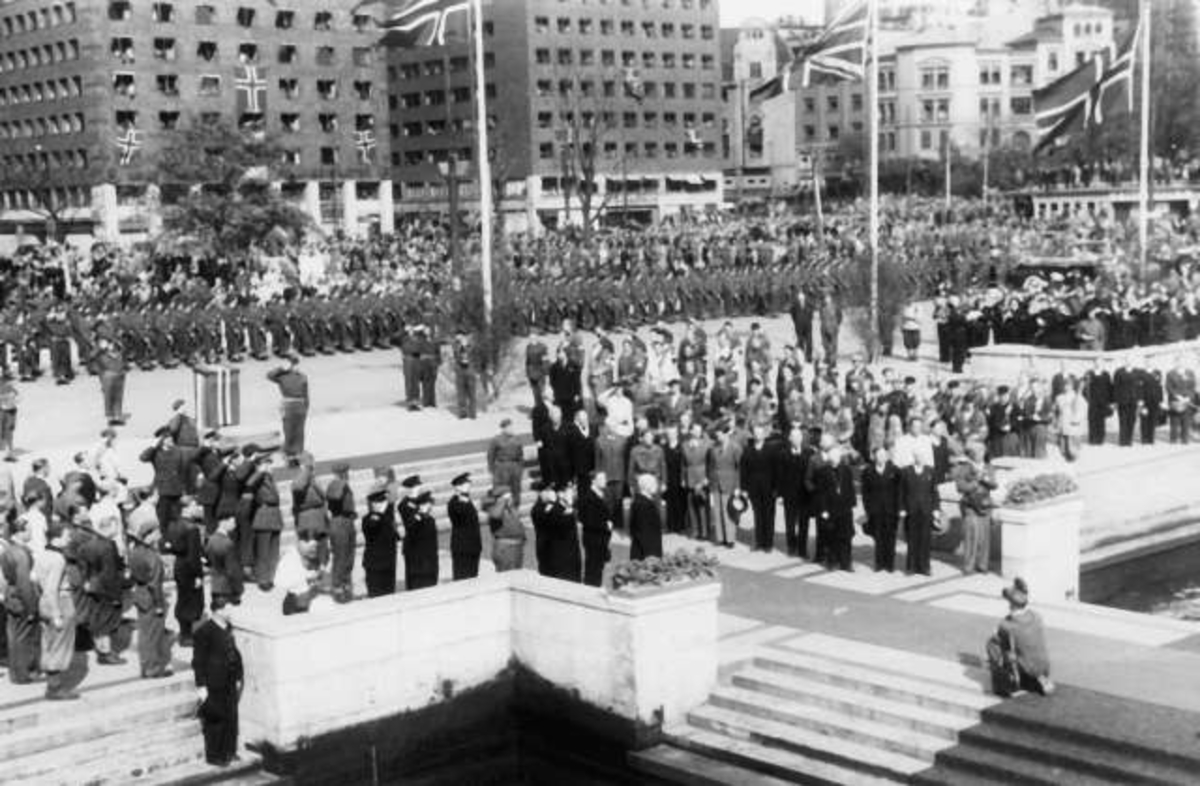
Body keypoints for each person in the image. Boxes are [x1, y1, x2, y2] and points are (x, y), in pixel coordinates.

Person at [192, 599, 244, 767]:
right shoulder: (204, 632)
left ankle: (229, 751)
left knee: (231, 717)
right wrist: (201, 686)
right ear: (218, 611)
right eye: (228, 608)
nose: (231, 611)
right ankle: (215, 755)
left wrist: (237, 676)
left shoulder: (227, 628)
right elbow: (198, 661)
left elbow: (233, 654)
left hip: (228, 681)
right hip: (213, 683)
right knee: (215, 720)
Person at [987, 577, 1055, 697]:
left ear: (1011, 604)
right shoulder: (1036, 616)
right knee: (1023, 647)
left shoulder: (1006, 625)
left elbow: (998, 639)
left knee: (992, 644)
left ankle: (1007, 684)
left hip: (1027, 668)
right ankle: (1040, 677)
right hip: (1044, 666)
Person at [35, 520, 79, 699]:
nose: (69, 540)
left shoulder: (42, 554)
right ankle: (55, 688)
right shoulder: (58, 559)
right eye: (67, 536)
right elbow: (52, 588)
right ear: (58, 537)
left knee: (48, 642)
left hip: (44, 601)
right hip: (60, 601)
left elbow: (36, 580)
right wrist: (57, 614)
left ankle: (52, 682)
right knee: (61, 644)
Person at [127, 517, 173, 679]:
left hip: (140, 595)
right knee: (153, 634)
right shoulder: (151, 556)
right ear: (150, 534)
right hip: (151, 598)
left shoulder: (134, 552)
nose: (160, 534)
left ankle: (145, 666)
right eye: (157, 531)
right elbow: (154, 584)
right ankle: (152, 668)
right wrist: (160, 604)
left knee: (145, 634)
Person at [2, 517, 42, 683]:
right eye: (29, 529)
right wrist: (31, 608)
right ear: (20, 532)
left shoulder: (8, 549)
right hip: (22, 598)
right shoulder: (20, 554)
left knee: (14, 635)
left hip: (11, 594)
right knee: (23, 637)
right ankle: (22, 673)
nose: (31, 532)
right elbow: (24, 583)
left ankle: (17, 671)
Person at [955, 443, 997, 575]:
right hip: (970, 505)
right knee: (971, 536)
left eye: (982, 451)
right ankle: (968, 566)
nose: (980, 454)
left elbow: (995, 485)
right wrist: (974, 483)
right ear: (971, 454)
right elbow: (960, 486)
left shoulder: (989, 467)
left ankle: (982, 565)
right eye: (977, 451)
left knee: (984, 537)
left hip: (984, 505)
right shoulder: (964, 467)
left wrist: (985, 479)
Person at [899, 450, 940, 576]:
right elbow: (901, 491)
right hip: (911, 510)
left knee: (925, 539)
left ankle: (924, 567)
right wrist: (902, 508)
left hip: (926, 510)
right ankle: (911, 566)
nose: (920, 458)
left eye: (922, 456)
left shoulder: (930, 471)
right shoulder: (906, 471)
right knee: (912, 538)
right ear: (914, 457)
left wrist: (936, 509)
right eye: (917, 456)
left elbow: (934, 492)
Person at [861, 445, 901, 572]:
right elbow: (865, 493)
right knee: (878, 537)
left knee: (890, 537)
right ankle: (879, 563)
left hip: (891, 510)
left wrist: (899, 508)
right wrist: (868, 510)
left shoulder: (895, 470)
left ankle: (889, 564)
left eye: (884, 455)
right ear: (874, 457)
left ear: (887, 456)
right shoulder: (868, 471)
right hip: (875, 510)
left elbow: (899, 491)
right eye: (879, 455)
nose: (881, 458)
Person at [247, 451, 283, 591]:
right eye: (268, 464)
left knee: (273, 551)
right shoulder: (258, 477)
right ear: (261, 465)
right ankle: (262, 579)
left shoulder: (269, 478)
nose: (271, 467)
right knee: (263, 551)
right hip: (263, 515)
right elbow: (249, 483)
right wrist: (260, 472)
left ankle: (270, 577)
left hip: (274, 515)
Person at [740, 423, 777, 553]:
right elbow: (743, 470)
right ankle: (759, 541)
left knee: (769, 515)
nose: (757, 435)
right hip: (753, 488)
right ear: (753, 434)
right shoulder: (748, 450)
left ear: (764, 434)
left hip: (769, 488)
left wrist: (776, 488)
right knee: (758, 515)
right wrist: (744, 488)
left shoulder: (771, 449)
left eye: (760, 432)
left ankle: (768, 543)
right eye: (755, 433)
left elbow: (776, 470)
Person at [266, 353, 309, 463]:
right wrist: (280, 369)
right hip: (288, 405)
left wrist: (306, 408)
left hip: (299, 405)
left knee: (299, 430)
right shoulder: (282, 376)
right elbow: (269, 376)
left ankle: (298, 453)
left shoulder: (302, 376)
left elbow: (306, 394)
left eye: (295, 364)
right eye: (293, 363)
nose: (295, 366)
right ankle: (290, 454)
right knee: (288, 429)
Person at [326, 462, 357, 603]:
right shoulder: (335, 484)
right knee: (341, 557)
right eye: (345, 472)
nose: (348, 474)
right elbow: (335, 497)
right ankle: (338, 588)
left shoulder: (343, 484)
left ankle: (346, 586)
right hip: (338, 522)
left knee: (349, 557)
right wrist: (341, 482)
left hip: (347, 521)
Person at [706, 421, 741, 548]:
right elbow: (710, 466)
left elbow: (739, 468)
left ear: (726, 434)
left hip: (729, 483)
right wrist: (710, 481)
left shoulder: (735, 447)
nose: (717, 437)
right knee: (717, 511)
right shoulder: (713, 448)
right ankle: (720, 538)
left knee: (729, 511)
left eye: (719, 435)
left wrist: (738, 486)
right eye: (716, 435)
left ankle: (730, 538)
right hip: (716, 482)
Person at [361, 482, 399, 597]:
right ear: (373, 504)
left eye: (384, 502)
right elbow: (372, 525)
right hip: (376, 567)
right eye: (379, 502)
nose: (383, 505)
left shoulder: (387, 518)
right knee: (377, 597)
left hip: (389, 564)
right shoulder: (370, 518)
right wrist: (379, 512)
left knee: (390, 595)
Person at [579, 471, 612, 587]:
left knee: (598, 569)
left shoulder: (601, 494)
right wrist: (606, 525)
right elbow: (587, 520)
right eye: (601, 479)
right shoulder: (588, 497)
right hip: (593, 539)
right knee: (593, 569)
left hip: (600, 539)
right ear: (593, 481)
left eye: (605, 478)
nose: (605, 481)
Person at [448, 473, 482, 580]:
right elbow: (460, 517)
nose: (468, 487)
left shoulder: (466, 500)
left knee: (473, 576)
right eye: (464, 485)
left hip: (473, 546)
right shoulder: (454, 503)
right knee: (462, 577)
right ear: (457, 487)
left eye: (468, 484)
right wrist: (465, 503)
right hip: (462, 547)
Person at [403, 490, 439, 590]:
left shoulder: (430, 519)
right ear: (422, 505)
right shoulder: (415, 519)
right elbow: (411, 532)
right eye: (428, 504)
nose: (430, 506)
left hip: (430, 564)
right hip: (419, 568)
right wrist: (418, 517)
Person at [206, 517, 244, 609]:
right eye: (233, 522)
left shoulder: (211, 539)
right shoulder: (228, 543)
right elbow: (232, 570)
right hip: (227, 588)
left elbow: (208, 560)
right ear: (224, 522)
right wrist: (238, 589)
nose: (235, 524)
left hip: (215, 585)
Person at [89, 336, 127, 426]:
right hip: (108, 375)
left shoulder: (118, 351)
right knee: (109, 396)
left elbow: (123, 351)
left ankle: (117, 415)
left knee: (118, 396)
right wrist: (99, 349)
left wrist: (117, 344)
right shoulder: (101, 354)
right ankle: (110, 416)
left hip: (119, 374)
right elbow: (91, 356)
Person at [486, 487, 525, 572]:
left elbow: (517, 517)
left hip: (516, 547)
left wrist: (509, 505)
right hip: (505, 548)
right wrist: (503, 501)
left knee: (517, 575)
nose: (511, 498)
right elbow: (495, 515)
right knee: (505, 576)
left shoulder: (510, 508)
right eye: (508, 496)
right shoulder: (494, 508)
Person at [487, 418, 525, 505]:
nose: (512, 429)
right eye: (509, 427)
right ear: (503, 428)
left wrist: (520, 468)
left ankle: (515, 509)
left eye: (512, 426)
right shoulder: (496, 440)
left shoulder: (517, 439)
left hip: (515, 467)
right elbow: (490, 455)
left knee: (516, 490)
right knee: (502, 490)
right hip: (502, 467)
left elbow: (521, 455)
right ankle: (502, 510)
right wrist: (492, 470)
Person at [629, 473, 663, 561]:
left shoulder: (643, 502)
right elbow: (644, 533)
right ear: (647, 486)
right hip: (646, 556)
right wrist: (651, 555)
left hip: (644, 553)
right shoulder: (643, 505)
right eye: (654, 483)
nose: (656, 486)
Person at [0, 372, 18, 461]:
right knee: (2, 429)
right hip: (2, 411)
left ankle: (9, 450)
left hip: (11, 411)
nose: (10, 382)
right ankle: (2, 444)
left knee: (9, 430)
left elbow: (19, 398)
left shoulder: (12, 389)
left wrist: (13, 399)